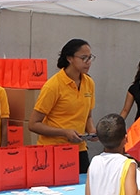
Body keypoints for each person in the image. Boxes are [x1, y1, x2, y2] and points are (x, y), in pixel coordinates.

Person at [29, 38, 97, 173]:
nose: (88, 62)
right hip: (53, 150)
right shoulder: (53, 86)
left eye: (90, 58)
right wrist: (64, 132)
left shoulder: (89, 83)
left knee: (84, 189)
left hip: (79, 149)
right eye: (83, 58)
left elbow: (87, 116)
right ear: (69, 58)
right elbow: (33, 124)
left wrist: (92, 132)